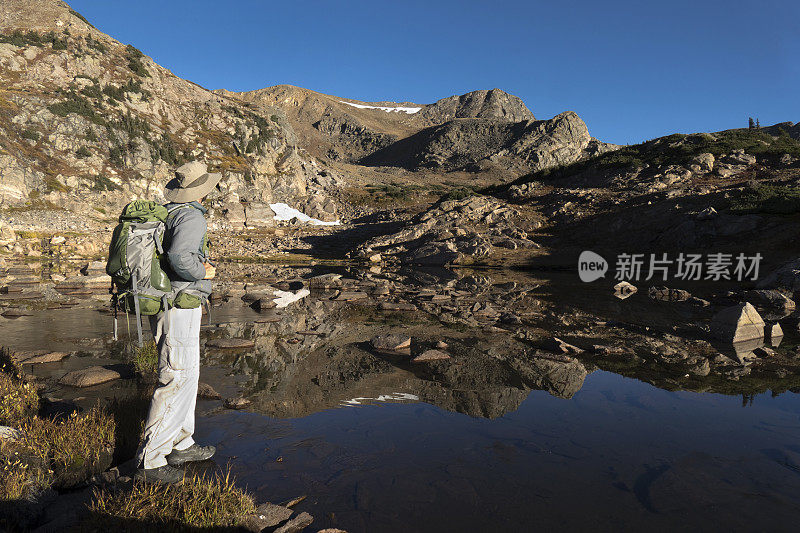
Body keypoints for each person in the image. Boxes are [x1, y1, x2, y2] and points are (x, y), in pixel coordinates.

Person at [134, 161, 221, 484]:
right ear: (203, 190)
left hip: (174, 303)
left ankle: (182, 443)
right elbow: (180, 257)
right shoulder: (191, 216)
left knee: (187, 375)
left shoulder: (170, 211)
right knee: (176, 377)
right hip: (178, 306)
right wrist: (204, 272)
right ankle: (151, 460)